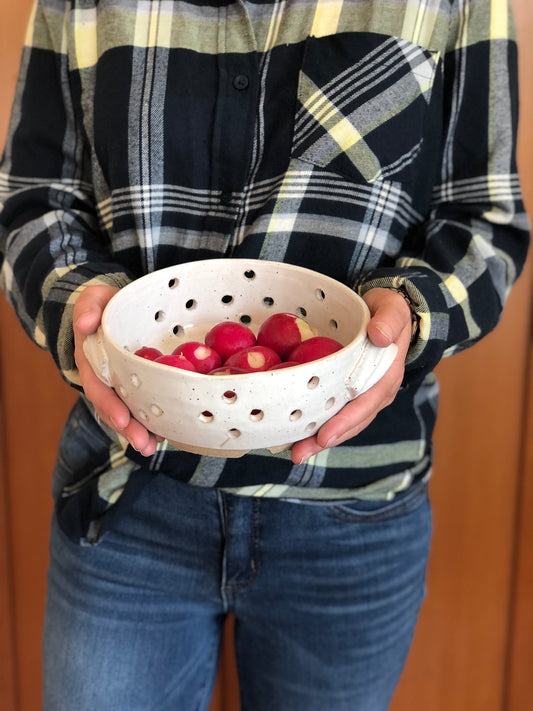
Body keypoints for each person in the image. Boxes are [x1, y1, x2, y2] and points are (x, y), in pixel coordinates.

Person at [0, 1, 529, 709]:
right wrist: (80, 305)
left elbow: (484, 222)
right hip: (128, 495)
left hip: (349, 513)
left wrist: (412, 313)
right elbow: (36, 199)